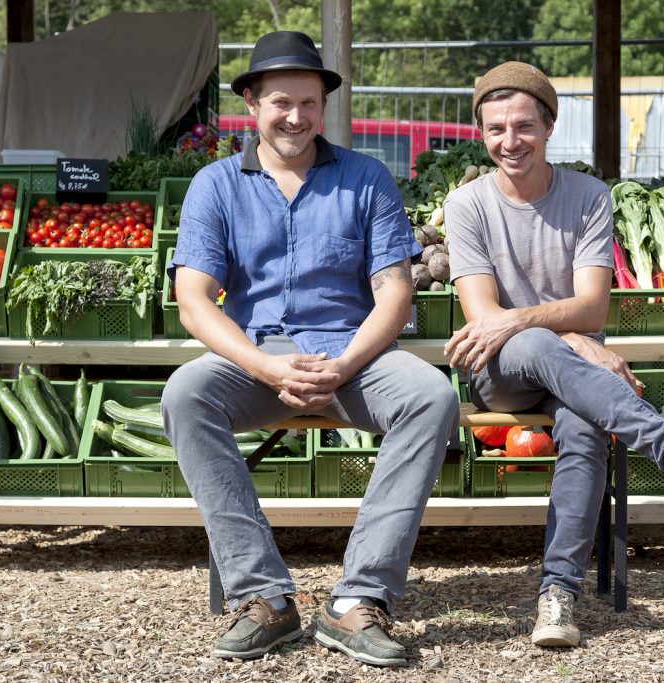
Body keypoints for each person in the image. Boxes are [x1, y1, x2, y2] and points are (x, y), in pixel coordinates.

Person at [160, 31, 459, 668]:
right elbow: (193, 301)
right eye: (280, 102)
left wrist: (345, 364)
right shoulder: (216, 185)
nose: (295, 116)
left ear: (324, 107)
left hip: (354, 357)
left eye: (308, 103)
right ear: (251, 105)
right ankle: (263, 597)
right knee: (186, 394)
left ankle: (358, 598)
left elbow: (395, 294)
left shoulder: (366, 178)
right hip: (257, 360)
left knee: (431, 396)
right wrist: (265, 366)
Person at [443, 61, 664, 648]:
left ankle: (559, 595)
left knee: (582, 427)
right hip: (500, 369)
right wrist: (566, 333)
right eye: (496, 129)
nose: (510, 141)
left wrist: (559, 329)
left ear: (549, 126)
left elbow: (594, 308)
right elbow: (487, 318)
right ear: (481, 132)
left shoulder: (589, 197)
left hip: (576, 376)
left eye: (523, 126)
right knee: (529, 341)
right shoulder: (467, 204)